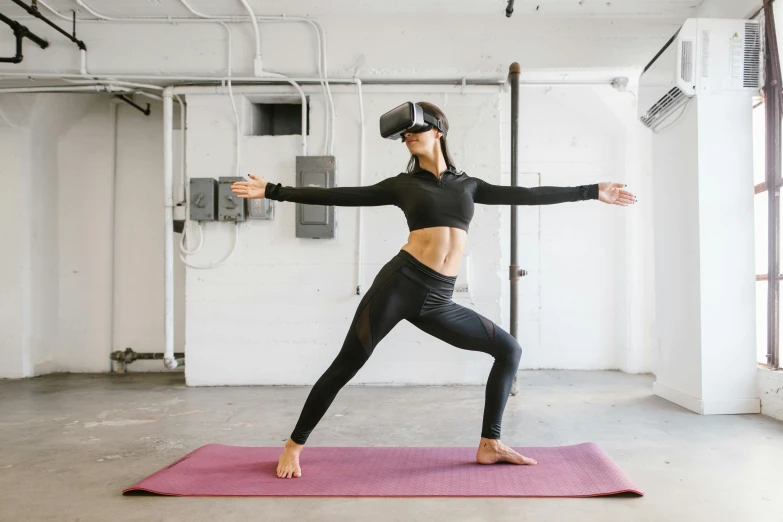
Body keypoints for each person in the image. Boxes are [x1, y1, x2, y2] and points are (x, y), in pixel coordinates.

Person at [231, 101, 636, 479]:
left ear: (438, 131)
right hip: (400, 284)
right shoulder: (402, 185)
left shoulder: (468, 186)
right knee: (347, 364)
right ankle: (294, 445)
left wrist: (592, 190)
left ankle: (490, 443)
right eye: (404, 135)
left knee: (508, 349)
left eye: (415, 130)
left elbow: (527, 196)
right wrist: (273, 190)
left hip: (439, 298)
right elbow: (340, 196)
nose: (408, 137)